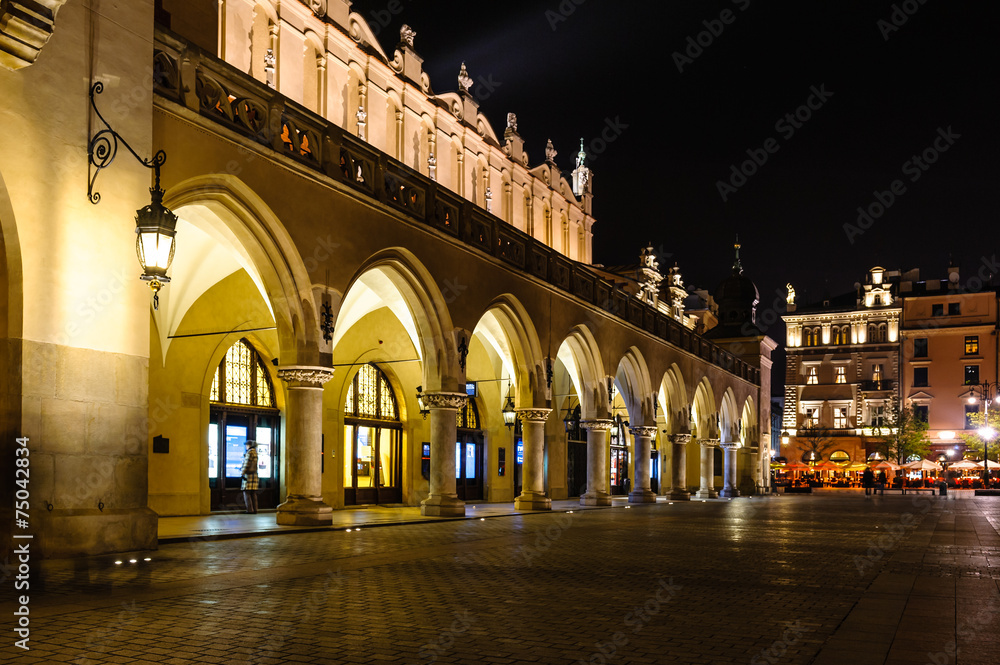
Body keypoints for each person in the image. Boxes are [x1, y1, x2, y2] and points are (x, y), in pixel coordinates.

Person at [241, 440, 259, 514]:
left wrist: (242, 472)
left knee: (246, 492)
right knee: (253, 493)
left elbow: (246, 463)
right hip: (254, 475)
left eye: (246, 445)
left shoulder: (249, 452)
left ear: (249, 445)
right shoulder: (255, 452)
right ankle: (255, 509)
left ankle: (249, 510)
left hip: (248, 476)